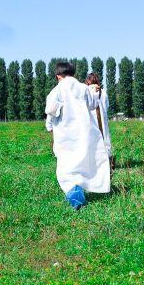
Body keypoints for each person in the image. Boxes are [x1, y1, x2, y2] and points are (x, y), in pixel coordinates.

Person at [44, 62, 110, 209]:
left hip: (65, 136)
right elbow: (93, 104)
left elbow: (50, 112)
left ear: (58, 76)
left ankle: (77, 198)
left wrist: (49, 126)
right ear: (73, 74)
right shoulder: (82, 88)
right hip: (84, 134)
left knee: (65, 168)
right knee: (83, 163)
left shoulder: (55, 92)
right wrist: (94, 91)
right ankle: (87, 186)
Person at [85, 72, 114, 167]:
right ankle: (107, 162)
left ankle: (93, 164)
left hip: (90, 120)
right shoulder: (103, 92)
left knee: (91, 141)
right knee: (105, 139)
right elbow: (107, 106)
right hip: (102, 120)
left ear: (88, 81)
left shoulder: (86, 91)